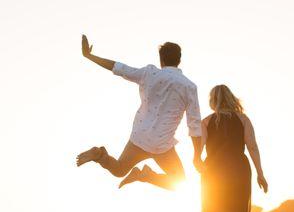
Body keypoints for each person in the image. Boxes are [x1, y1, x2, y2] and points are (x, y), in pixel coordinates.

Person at [76, 34, 203, 190]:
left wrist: (89, 56)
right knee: (179, 181)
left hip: (140, 137)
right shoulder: (189, 87)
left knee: (119, 169)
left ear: (161, 60)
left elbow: (119, 68)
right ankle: (147, 175)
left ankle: (100, 155)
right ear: (179, 60)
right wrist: (197, 155)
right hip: (162, 145)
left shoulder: (149, 74)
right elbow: (195, 125)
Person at [198, 84, 268, 212]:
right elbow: (252, 147)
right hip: (238, 169)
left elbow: (199, 148)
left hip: (213, 171)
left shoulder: (206, 122)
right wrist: (260, 173)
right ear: (231, 98)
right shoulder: (243, 119)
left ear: (212, 100)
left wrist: (197, 162)